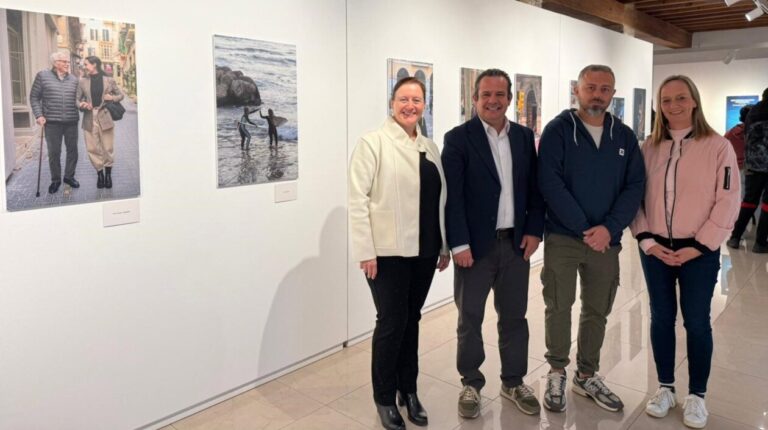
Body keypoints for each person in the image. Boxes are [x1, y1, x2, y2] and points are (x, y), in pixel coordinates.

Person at [630, 75, 740, 429]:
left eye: (680, 98)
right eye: (665, 100)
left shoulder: (717, 146)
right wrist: (647, 240)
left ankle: (697, 395)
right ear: (658, 106)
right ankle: (665, 387)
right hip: (656, 249)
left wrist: (700, 245)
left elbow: (728, 200)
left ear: (694, 100)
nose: (673, 105)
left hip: (699, 252)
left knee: (696, 321)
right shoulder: (648, 147)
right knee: (661, 318)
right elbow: (635, 196)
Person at [538, 64, 645, 413]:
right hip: (564, 238)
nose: (597, 94)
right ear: (577, 90)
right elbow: (550, 183)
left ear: (612, 94)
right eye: (590, 87)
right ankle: (556, 371)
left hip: (606, 242)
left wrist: (609, 229)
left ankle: (587, 374)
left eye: (604, 89)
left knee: (597, 309)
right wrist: (586, 228)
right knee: (559, 305)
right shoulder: (558, 130)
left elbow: (634, 186)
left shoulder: (624, 136)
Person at [441, 68, 545, 418]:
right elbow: (452, 198)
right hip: (475, 248)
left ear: (510, 99)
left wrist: (534, 230)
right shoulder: (458, 138)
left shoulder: (523, 137)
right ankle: (471, 382)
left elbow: (534, 188)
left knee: (514, 316)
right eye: (486, 94)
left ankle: (513, 380)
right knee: (470, 318)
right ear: (475, 99)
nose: (493, 101)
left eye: (500, 95)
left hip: (516, 245)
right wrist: (458, 245)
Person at [348, 77, 450, 430]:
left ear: (425, 105)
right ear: (392, 103)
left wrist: (443, 245)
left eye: (417, 99)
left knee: (412, 319)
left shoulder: (430, 146)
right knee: (391, 323)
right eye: (404, 99)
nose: (410, 105)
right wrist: (365, 250)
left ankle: (409, 390)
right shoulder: (372, 143)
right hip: (386, 253)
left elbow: (439, 202)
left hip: (423, 250)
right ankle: (384, 396)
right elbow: (357, 200)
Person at [29, 51, 81, 194]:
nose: (67, 64)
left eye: (67, 62)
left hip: (71, 121)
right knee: (54, 153)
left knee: (73, 151)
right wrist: (39, 115)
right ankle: (56, 180)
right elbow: (34, 97)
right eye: (64, 62)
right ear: (55, 63)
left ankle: (69, 177)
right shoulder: (42, 76)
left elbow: (79, 98)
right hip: (52, 122)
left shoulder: (74, 80)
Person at [728, 87, 768, 253]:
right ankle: (760, 242)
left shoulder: (753, 112)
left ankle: (735, 237)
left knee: (749, 201)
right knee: (767, 205)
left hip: (751, 163)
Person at [76, 56, 124, 189]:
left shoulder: (109, 79)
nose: (84, 66)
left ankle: (108, 174)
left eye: (86, 64)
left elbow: (121, 95)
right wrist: (83, 104)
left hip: (105, 115)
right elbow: (76, 100)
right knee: (92, 147)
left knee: (107, 147)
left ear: (94, 64)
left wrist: (112, 97)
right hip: (89, 117)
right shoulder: (82, 81)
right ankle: (100, 174)